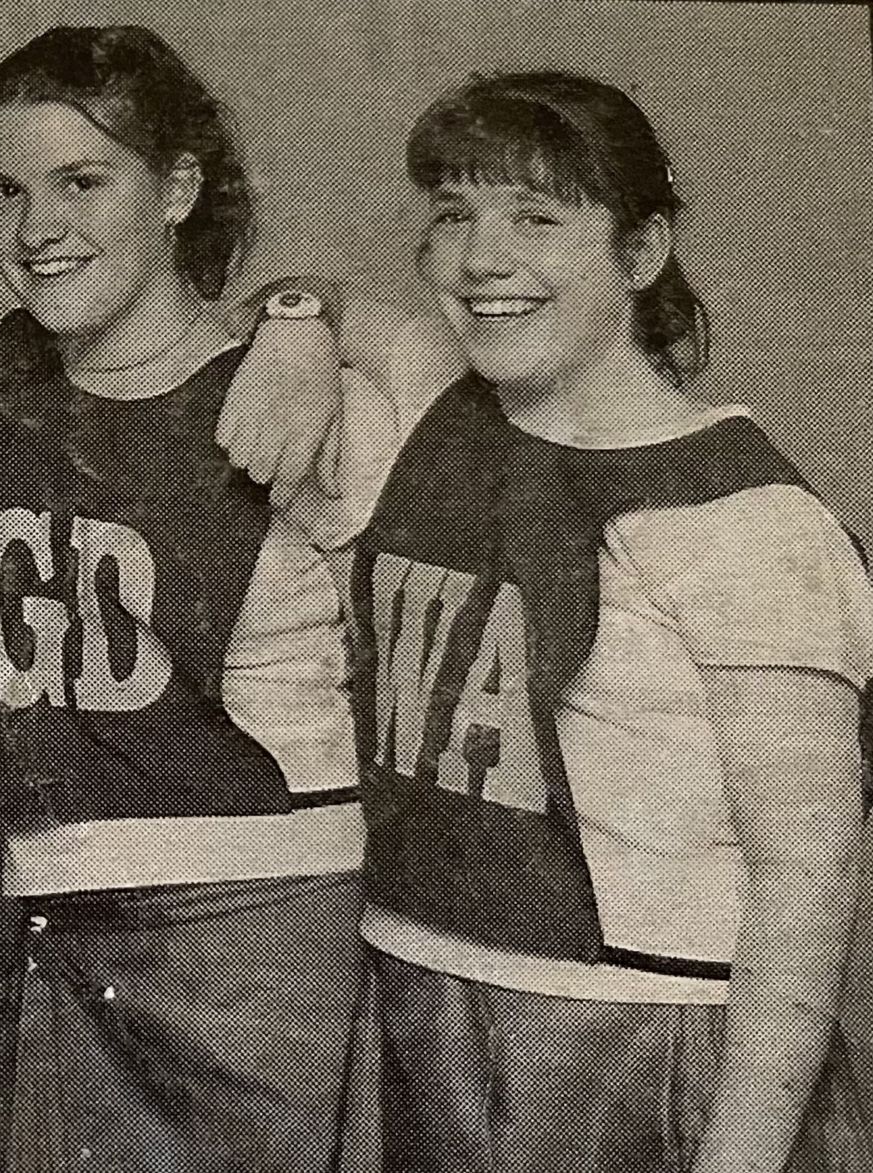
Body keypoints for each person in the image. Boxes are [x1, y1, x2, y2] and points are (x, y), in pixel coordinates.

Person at [348, 70, 872, 1172]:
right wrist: (296, 329)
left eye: (536, 218)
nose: (479, 259)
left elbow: (805, 879)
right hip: (425, 1008)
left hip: (642, 1044)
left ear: (639, 254)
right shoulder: (442, 399)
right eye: (452, 216)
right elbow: (300, 299)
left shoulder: (744, 519)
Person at [0, 27, 381, 1173]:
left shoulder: (305, 401)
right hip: (43, 917)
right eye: (3, 190)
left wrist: (303, 320)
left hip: (263, 928)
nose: (35, 231)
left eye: (83, 182)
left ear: (174, 189)